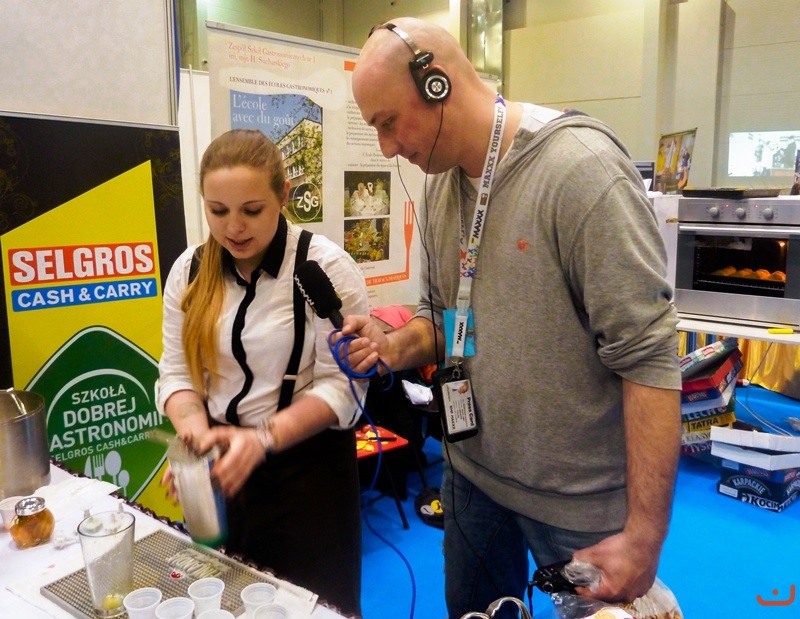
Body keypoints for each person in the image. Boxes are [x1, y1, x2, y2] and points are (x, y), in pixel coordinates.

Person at [339, 17, 682, 618]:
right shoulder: (442, 184)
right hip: (473, 477)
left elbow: (649, 361)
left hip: (578, 500)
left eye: (388, 122)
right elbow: (450, 321)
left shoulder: (581, 172)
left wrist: (645, 539)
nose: (388, 148)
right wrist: (393, 345)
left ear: (438, 84)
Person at [157, 129, 369, 616]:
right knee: (231, 602)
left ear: (284, 196)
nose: (233, 228)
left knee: (315, 607)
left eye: (252, 210)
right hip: (226, 471)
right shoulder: (189, 270)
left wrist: (262, 438)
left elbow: (343, 386)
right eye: (217, 211)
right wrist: (195, 437)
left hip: (309, 475)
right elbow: (177, 372)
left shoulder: (325, 268)